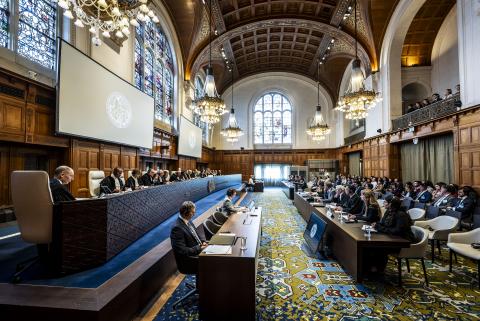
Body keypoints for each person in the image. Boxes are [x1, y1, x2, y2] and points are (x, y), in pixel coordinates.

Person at [170, 201, 208, 274]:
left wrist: (203, 241)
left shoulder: (188, 220)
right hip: (190, 260)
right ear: (185, 213)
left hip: (198, 251)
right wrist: (199, 248)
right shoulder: (177, 228)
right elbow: (182, 251)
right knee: (215, 261)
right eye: (192, 212)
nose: (194, 214)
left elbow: (196, 235)